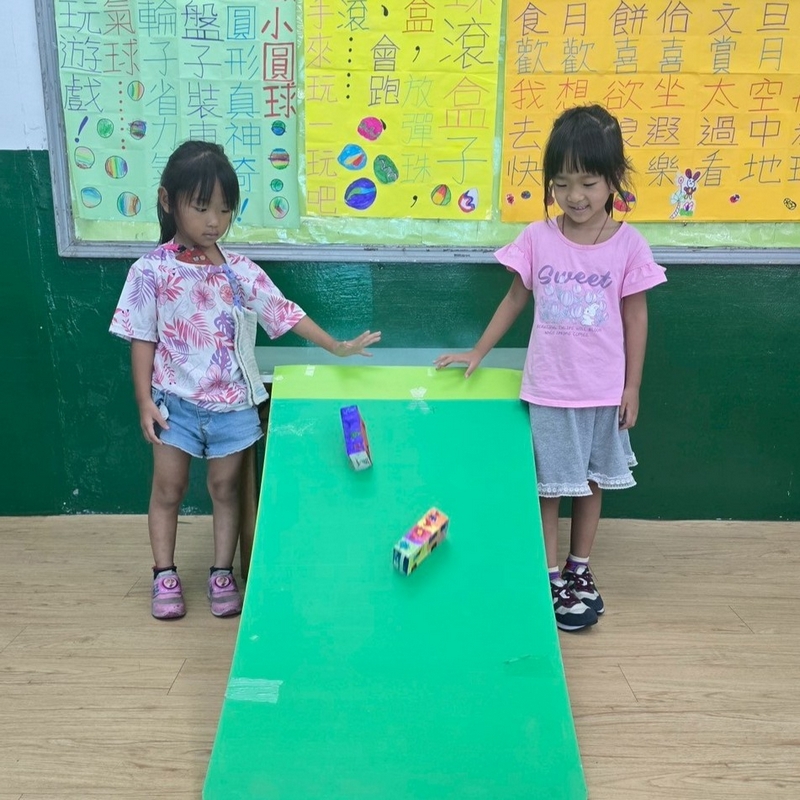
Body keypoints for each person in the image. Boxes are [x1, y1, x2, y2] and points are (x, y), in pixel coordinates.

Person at [110, 141, 381, 620]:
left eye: (224, 210)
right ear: (167, 200)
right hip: (174, 405)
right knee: (168, 489)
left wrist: (335, 346)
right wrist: (143, 402)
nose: (214, 221)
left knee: (226, 490)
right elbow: (142, 338)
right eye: (201, 208)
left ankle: (222, 573)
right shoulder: (150, 271)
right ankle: (164, 574)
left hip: (234, 407)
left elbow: (284, 312)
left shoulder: (239, 271)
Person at [435, 105, 666, 632]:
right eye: (561, 184)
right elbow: (515, 298)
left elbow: (636, 317)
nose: (574, 196)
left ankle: (579, 568)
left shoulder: (629, 245)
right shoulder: (538, 237)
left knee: (593, 482)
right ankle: (548, 577)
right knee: (549, 488)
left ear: (613, 178)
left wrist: (631, 386)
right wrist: (478, 351)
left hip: (603, 391)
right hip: (550, 390)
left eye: (587, 183)